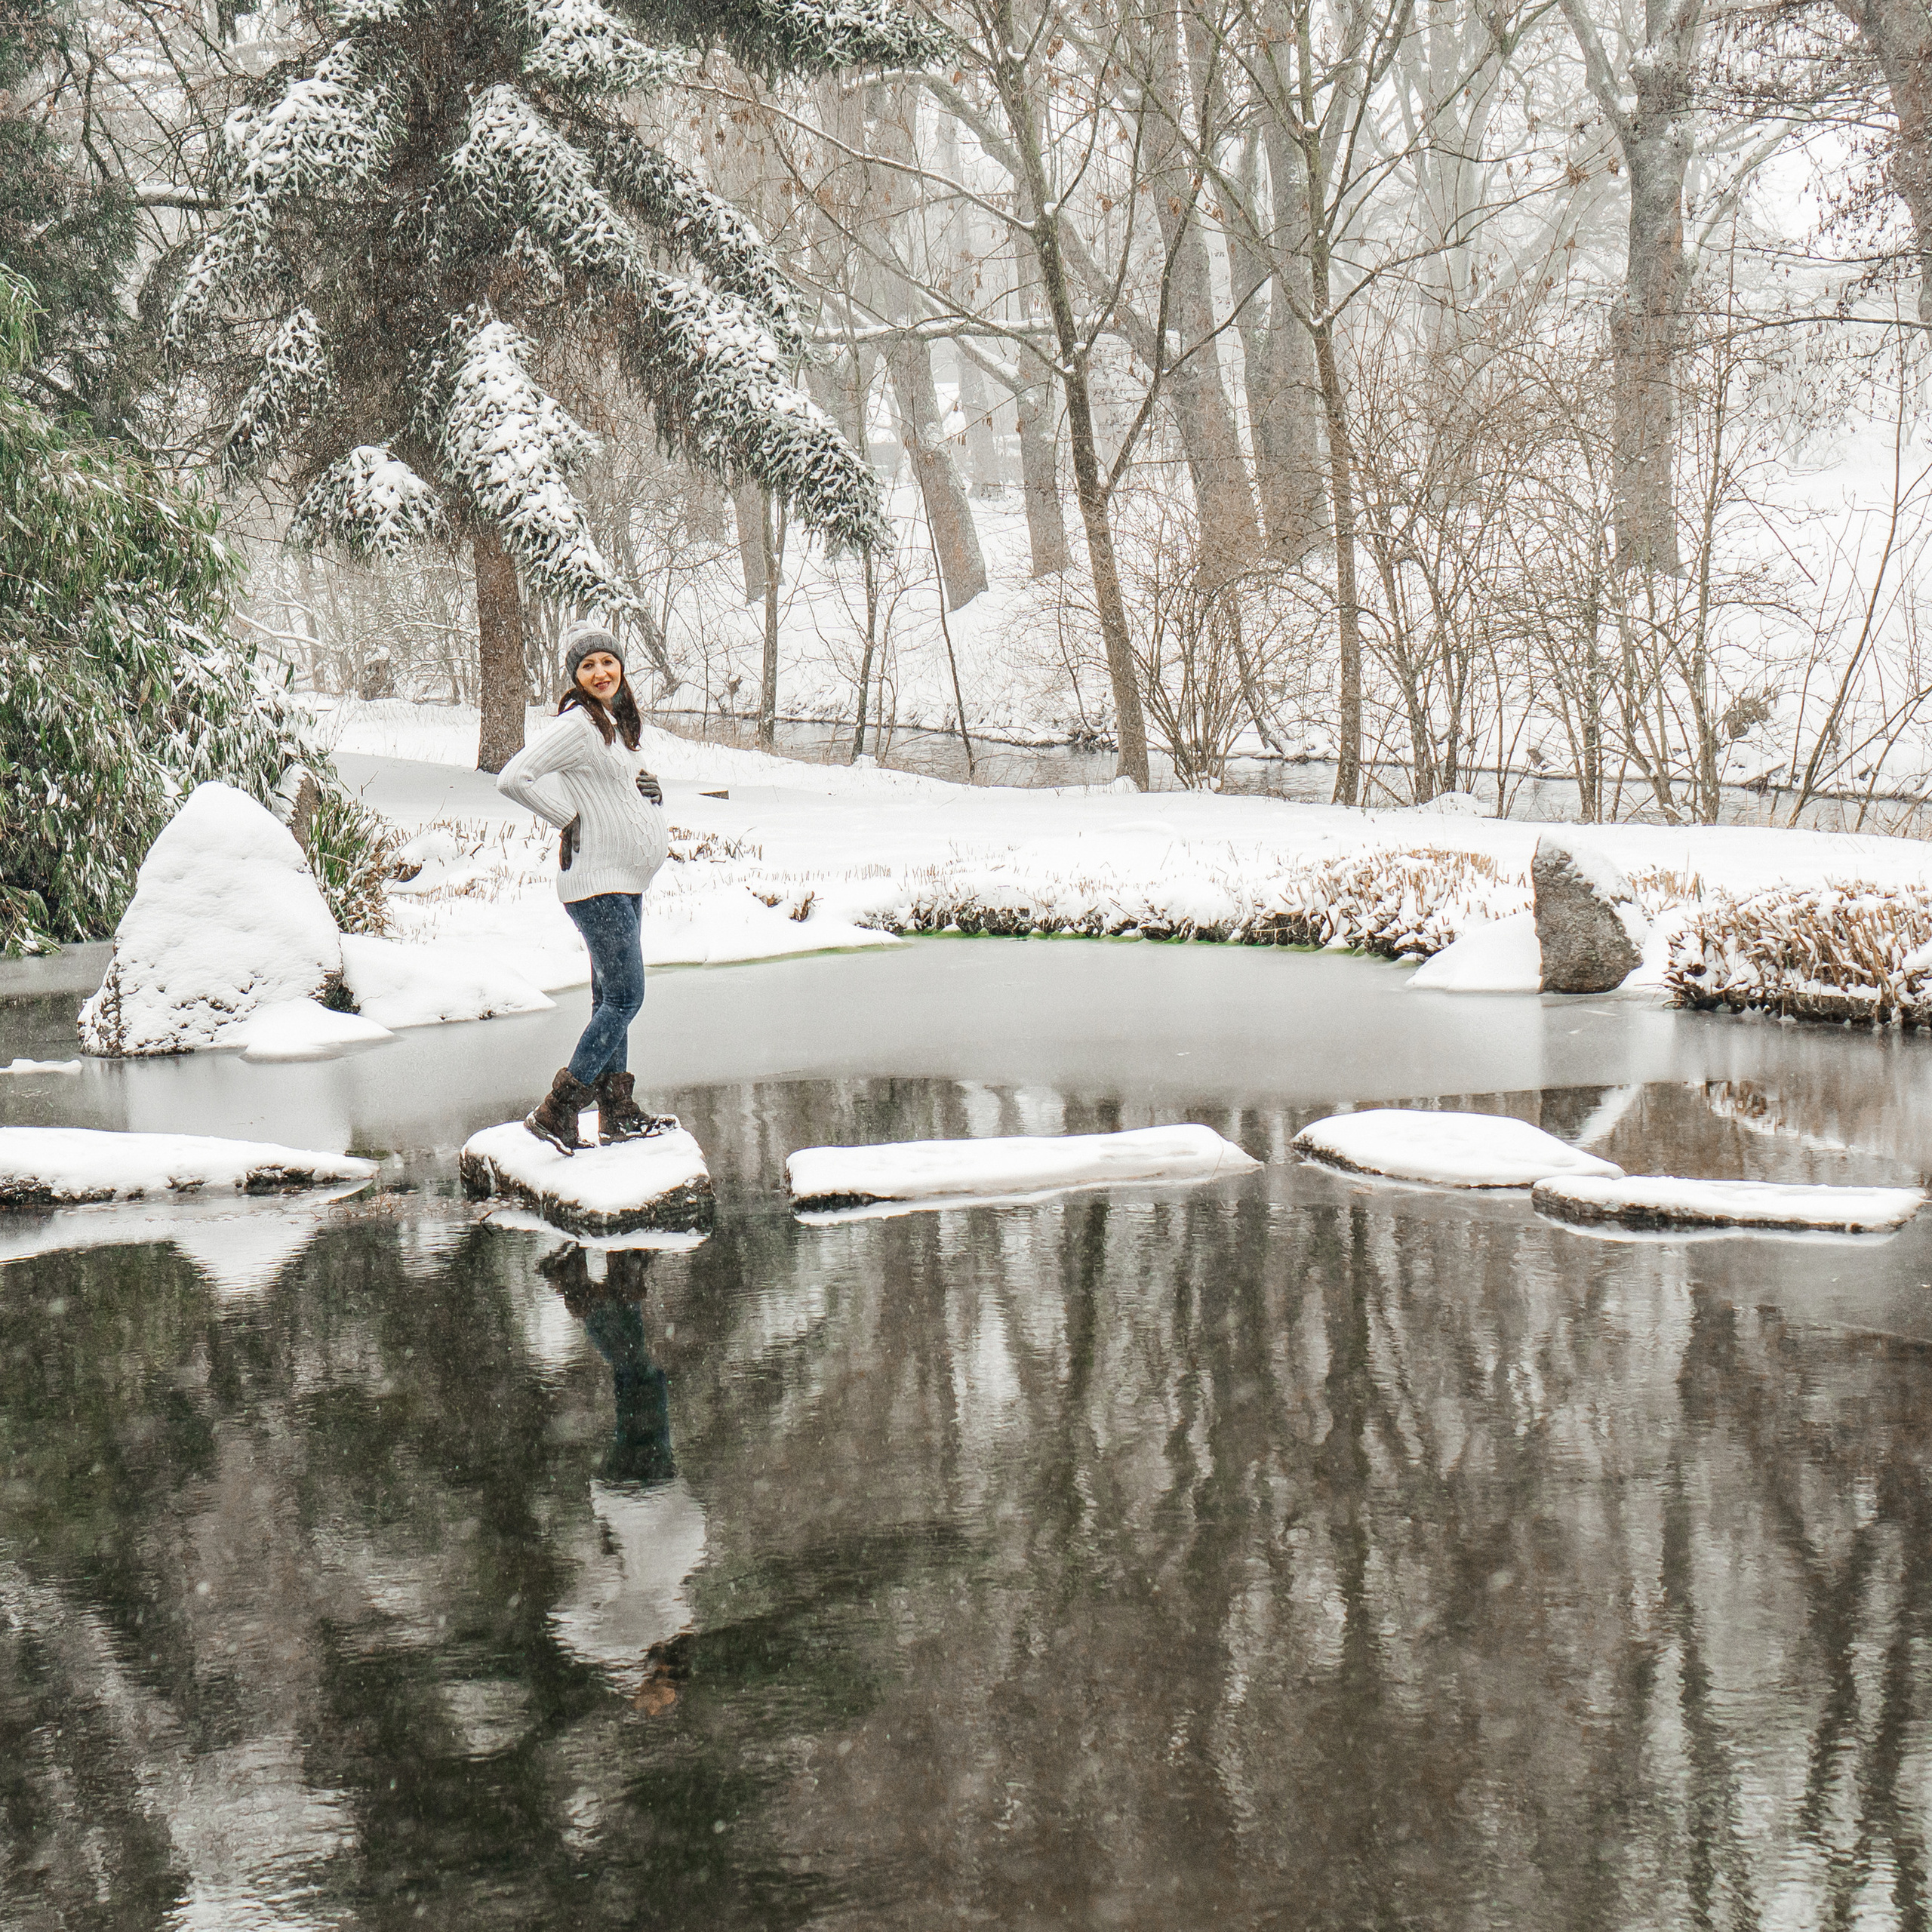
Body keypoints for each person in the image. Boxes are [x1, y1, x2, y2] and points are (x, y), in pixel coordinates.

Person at [497, 623, 673, 1152]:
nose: (600, 672)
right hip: (597, 884)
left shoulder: (614, 724)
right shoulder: (577, 724)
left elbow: (617, 788)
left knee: (608, 998)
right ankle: (558, 1111)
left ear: (621, 667)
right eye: (588, 666)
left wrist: (651, 795)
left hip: (625, 883)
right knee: (625, 996)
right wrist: (567, 819)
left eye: (607, 662)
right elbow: (514, 777)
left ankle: (616, 1112)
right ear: (575, 677)